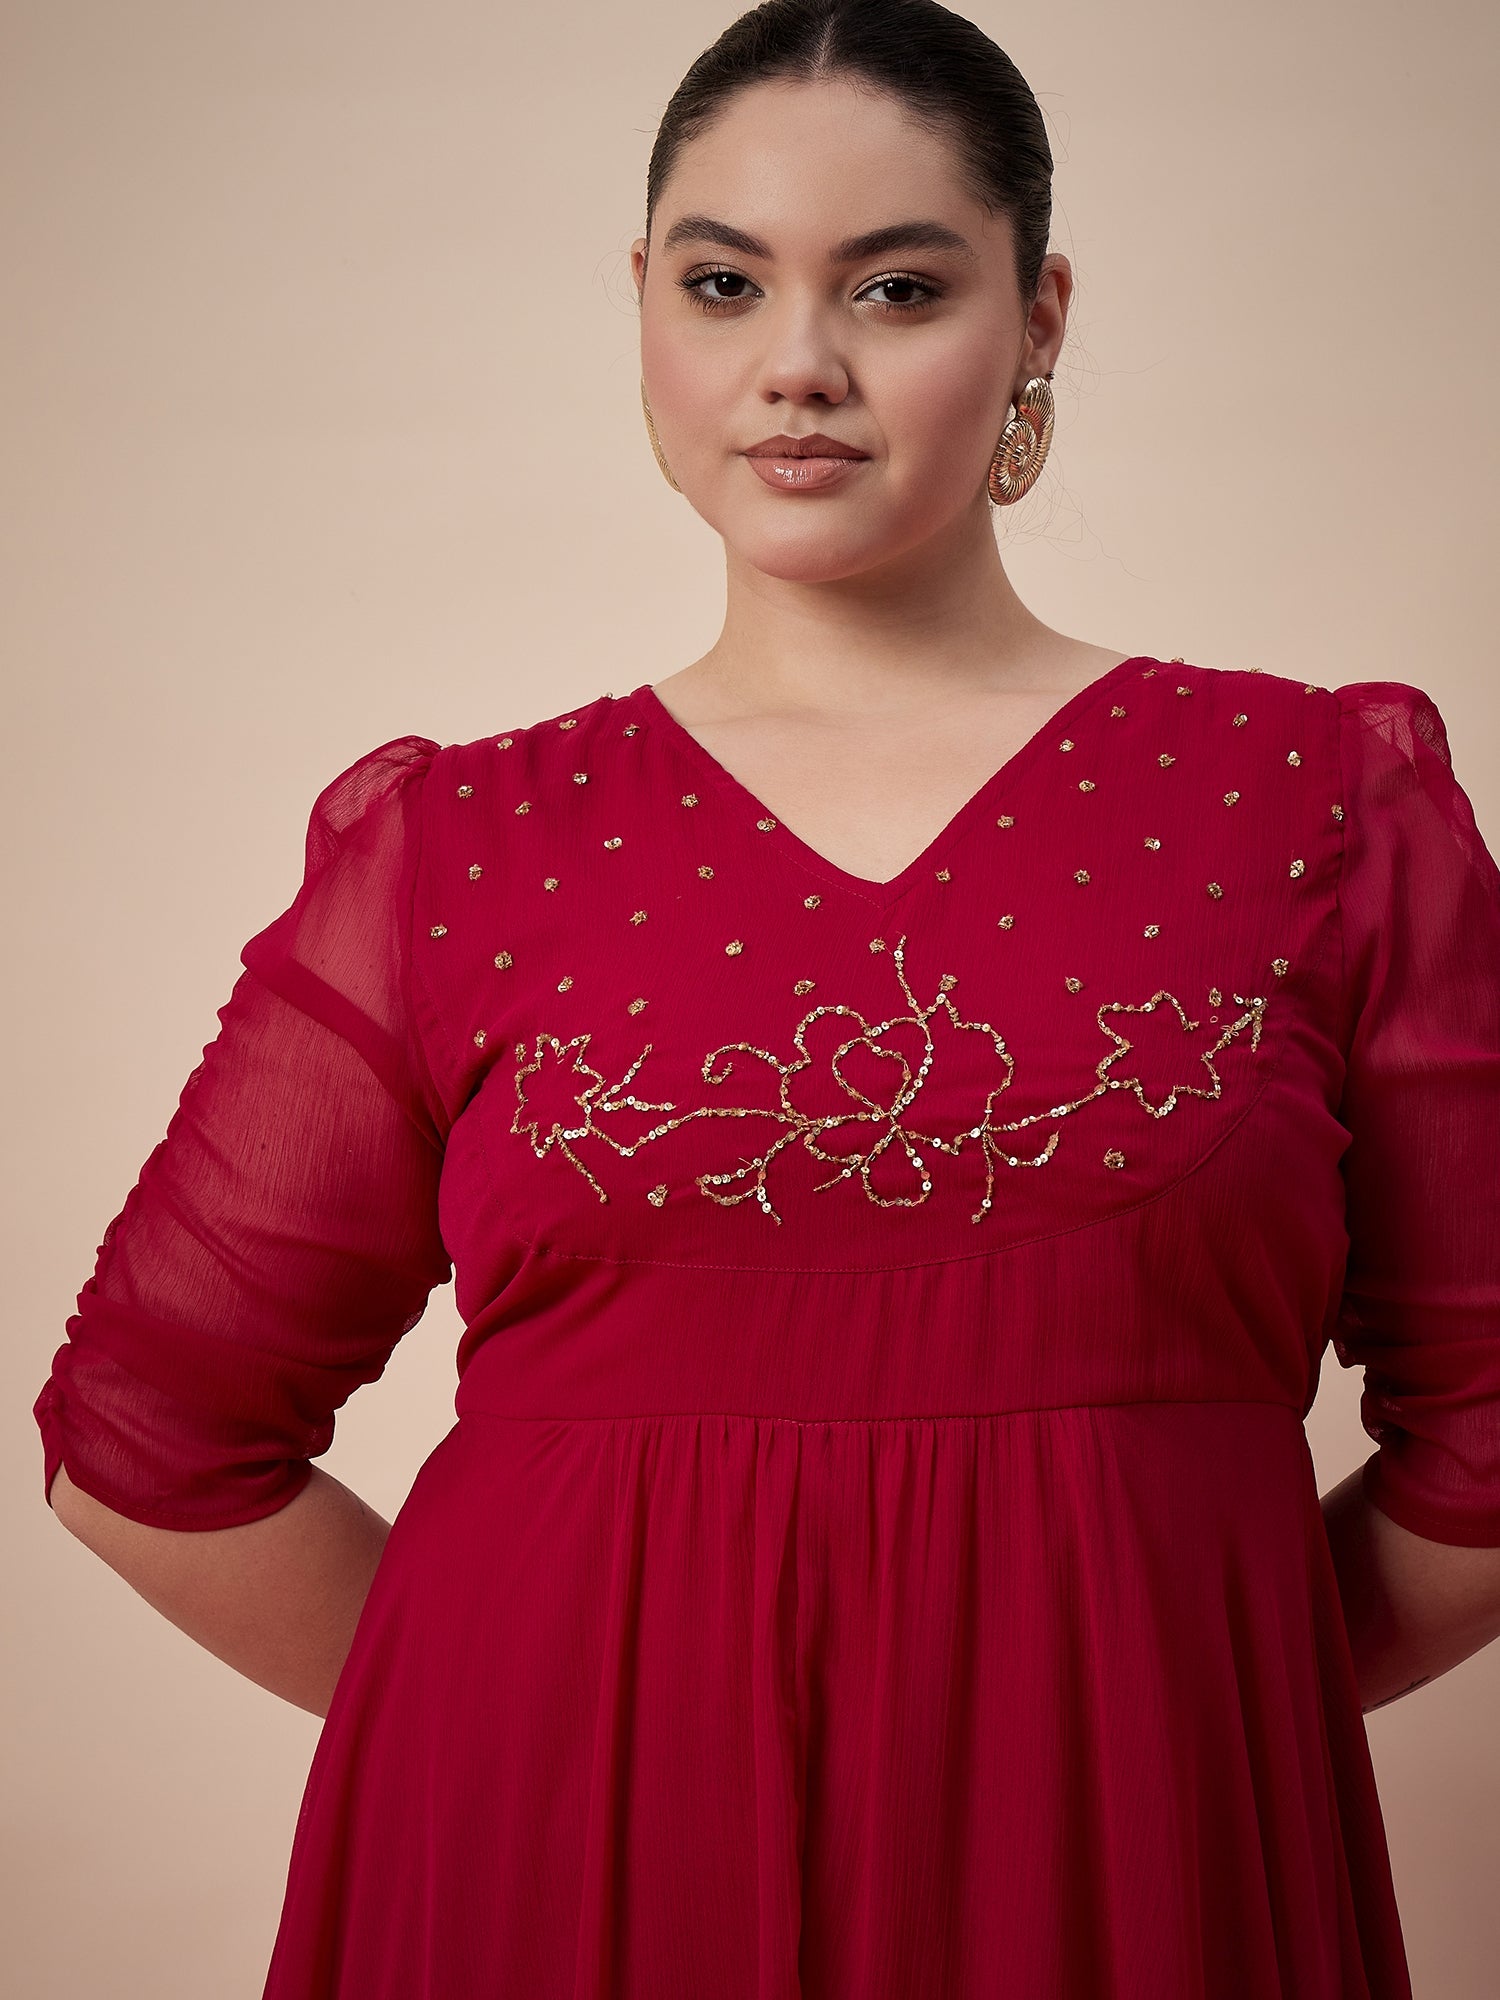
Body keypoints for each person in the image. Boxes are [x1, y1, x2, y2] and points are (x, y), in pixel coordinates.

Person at [33, 1, 1500, 1994]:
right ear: (642, 303)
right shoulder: (459, 850)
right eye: (726, 285)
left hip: (1134, 1875)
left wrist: (1169, 1687)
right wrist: (541, 1713)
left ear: (1039, 317)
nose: (799, 364)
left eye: (896, 287)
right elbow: (149, 1437)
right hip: (560, 1893)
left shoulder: (1312, 800)